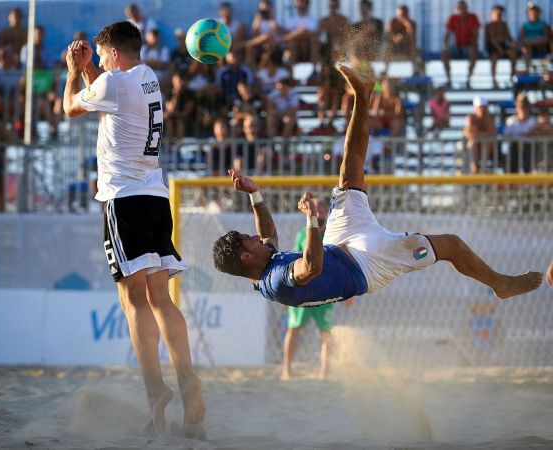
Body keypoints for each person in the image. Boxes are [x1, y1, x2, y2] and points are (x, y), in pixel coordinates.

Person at [212, 65, 542, 310]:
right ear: (245, 255)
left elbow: (268, 233)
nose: (256, 238)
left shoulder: (262, 262)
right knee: (451, 245)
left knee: (349, 169)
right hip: (369, 264)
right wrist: (312, 221)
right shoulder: (275, 280)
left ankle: (362, 94)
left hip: (338, 243)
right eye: (248, 240)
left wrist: (255, 195)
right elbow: (311, 267)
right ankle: (500, 284)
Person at [62, 21, 205, 439]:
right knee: (161, 297)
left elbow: (70, 108)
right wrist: (94, 71)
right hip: (154, 196)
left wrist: (74, 70)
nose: (100, 63)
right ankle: (186, 376)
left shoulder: (115, 83)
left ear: (116, 54)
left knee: (132, 301)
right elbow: (108, 91)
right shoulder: (147, 79)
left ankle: (155, 391)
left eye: (103, 56)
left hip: (122, 200)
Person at [282, 197, 335, 381]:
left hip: (326, 291)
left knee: (326, 333)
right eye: (316, 206)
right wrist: (288, 291)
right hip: (303, 292)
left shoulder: (332, 234)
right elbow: (295, 262)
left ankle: (324, 373)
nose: (318, 209)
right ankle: (287, 370)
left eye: (321, 206)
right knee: (293, 329)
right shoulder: (303, 235)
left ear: (327, 212)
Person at [441, 1, 480, 88]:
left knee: (473, 53)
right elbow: (447, 33)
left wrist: (473, 46)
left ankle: (468, 79)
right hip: (457, 47)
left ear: (467, 8)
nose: (462, 10)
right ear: (457, 9)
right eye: (460, 8)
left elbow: (476, 34)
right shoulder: (453, 18)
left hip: (469, 46)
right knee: (444, 53)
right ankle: (449, 80)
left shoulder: (473, 17)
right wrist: (445, 46)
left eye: (464, 8)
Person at [504, 93, 538, 173]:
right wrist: (522, 139)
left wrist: (520, 139)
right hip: (514, 148)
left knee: (527, 154)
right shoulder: (511, 121)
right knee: (512, 155)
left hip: (529, 149)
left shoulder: (533, 121)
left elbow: (534, 133)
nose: (522, 109)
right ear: (517, 107)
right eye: (520, 106)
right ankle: (513, 182)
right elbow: (507, 136)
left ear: (528, 107)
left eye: (524, 106)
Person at [484, 5, 517, 88]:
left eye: (500, 13)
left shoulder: (504, 24)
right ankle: (494, 79)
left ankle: (513, 74)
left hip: (502, 45)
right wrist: (500, 49)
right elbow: (492, 39)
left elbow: (509, 37)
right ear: (492, 14)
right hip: (492, 46)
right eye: (497, 13)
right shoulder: (490, 25)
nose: (499, 15)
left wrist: (513, 44)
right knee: (494, 57)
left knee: (513, 53)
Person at [463, 96, 497, 173]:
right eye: (480, 107)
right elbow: (470, 134)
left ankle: (483, 169)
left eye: (483, 107)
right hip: (476, 147)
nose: (482, 110)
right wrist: (484, 134)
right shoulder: (471, 118)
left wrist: (478, 134)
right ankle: (474, 168)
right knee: (473, 143)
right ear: (475, 108)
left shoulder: (490, 118)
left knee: (486, 142)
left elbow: (492, 133)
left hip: (487, 147)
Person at [384, 5, 420, 75]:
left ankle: (415, 69)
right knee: (389, 47)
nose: (402, 16)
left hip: (407, 47)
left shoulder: (412, 23)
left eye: (404, 14)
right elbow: (388, 35)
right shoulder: (393, 22)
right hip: (395, 47)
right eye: (401, 14)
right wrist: (396, 38)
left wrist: (407, 24)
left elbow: (412, 37)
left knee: (413, 47)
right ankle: (385, 70)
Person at [518, 3, 551, 73]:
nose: (534, 15)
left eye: (535, 13)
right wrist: (523, 46)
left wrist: (533, 41)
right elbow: (521, 39)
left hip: (541, 47)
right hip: (529, 48)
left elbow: (546, 39)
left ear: (539, 14)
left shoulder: (543, 25)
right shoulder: (525, 25)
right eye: (531, 13)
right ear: (528, 15)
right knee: (526, 48)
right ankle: (527, 69)